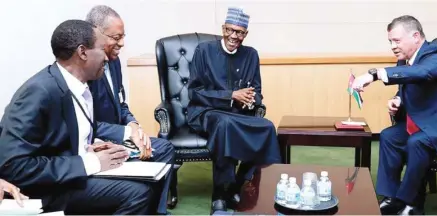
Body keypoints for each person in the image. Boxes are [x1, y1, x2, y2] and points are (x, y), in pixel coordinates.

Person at [0, 20, 154, 214]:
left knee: (144, 172)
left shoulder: (76, 86)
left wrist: (93, 147)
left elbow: (57, 140)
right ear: (82, 52)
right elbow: (13, 166)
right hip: (44, 191)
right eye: (101, 49)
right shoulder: (39, 92)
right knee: (138, 193)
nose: (106, 57)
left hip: (69, 175)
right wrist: (92, 162)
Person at [351, 15, 437, 215]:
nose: (393, 46)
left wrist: (374, 74)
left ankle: (410, 203)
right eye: (390, 41)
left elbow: (423, 73)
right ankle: (391, 197)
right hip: (423, 122)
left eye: (397, 40)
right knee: (389, 136)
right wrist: (399, 100)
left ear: (416, 36)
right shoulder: (403, 60)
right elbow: (410, 87)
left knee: (416, 142)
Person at [187, 7, 281, 213]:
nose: (233, 36)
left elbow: (257, 92)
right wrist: (231, 95)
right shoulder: (204, 51)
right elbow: (195, 92)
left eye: (239, 32)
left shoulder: (251, 55)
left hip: (238, 113)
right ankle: (220, 194)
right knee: (225, 125)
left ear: (245, 34)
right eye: (230, 30)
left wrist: (250, 100)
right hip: (206, 112)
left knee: (267, 127)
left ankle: (239, 184)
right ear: (223, 29)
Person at [85, 5, 175, 214]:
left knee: (164, 148)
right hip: (98, 143)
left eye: (123, 36)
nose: (121, 43)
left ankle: (157, 210)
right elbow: (86, 124)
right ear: (95, 32)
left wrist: (134, 125)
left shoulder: (114, 63)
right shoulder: (86, 68)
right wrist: (127, 133)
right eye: (116, 37)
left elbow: (121, 103)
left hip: (120, 135)